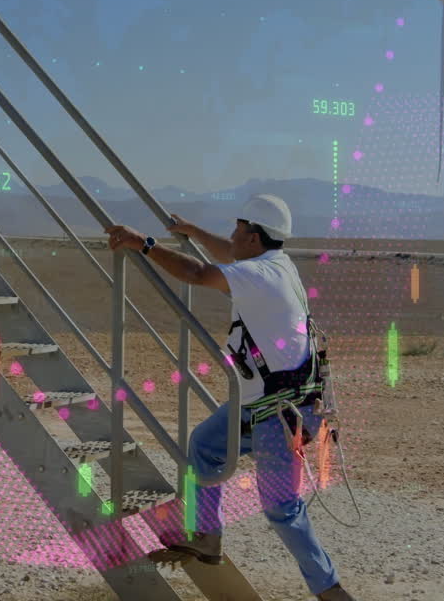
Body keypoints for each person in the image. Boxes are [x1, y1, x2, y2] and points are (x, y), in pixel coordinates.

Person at [105, 194, 355, 601]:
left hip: (281, 412)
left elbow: (200, 272)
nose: (232, 238)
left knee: (282, 510)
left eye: (238, 231)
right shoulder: (275, 263)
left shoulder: (261, 275)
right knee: (204, 445)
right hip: (260, 404)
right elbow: (226, 254)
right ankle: (207, 535)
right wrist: (194, 232)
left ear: (254, 238)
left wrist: (144, 244)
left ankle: (330, 591)